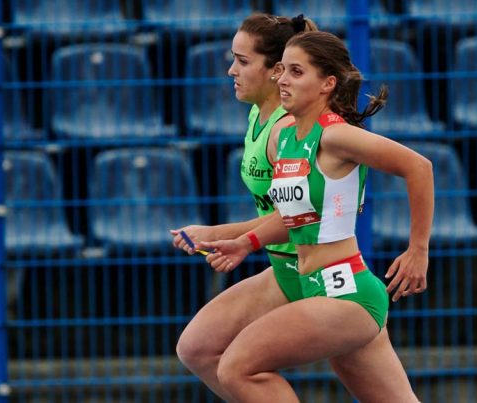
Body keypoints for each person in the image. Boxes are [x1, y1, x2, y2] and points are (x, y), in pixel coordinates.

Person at [197, 30, 434, 403]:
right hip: (313, 285)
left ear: (327, 84)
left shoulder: (336, 136)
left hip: (347, 294)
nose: (282, 80)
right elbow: (296, 216)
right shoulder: (286, 136)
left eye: (296, 71)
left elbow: (418, 167)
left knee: (237, 367)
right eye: (281, 70)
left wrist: (417, 250)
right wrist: (246, 242)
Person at [170, 13, 317, 401]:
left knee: (234, 365)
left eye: (243, 61)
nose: (231, 70)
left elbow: (298, 215)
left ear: (276, 71)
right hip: (284, 270)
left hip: (313, 275)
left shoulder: (286, 130)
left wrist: (220, 234)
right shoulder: (257, 114)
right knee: (197, 348)